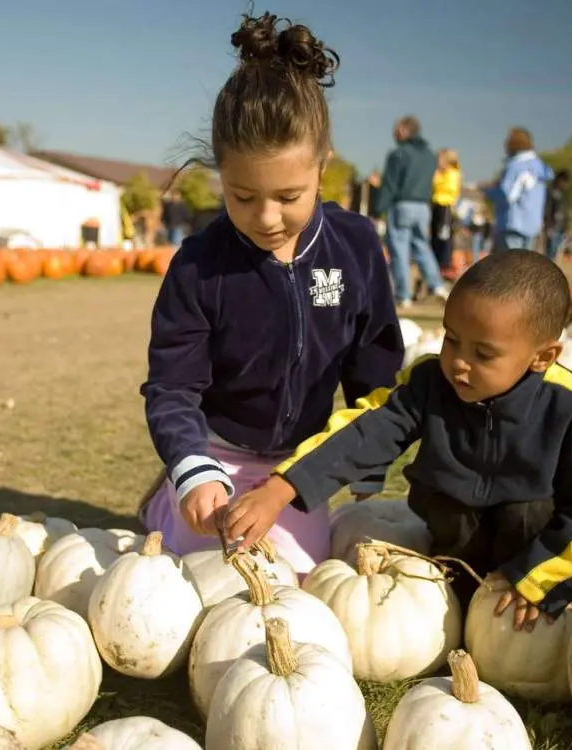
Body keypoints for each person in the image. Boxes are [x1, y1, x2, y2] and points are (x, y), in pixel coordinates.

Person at [225, 250, 572, 626]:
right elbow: (364, 432)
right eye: (452, 340)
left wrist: (543, 574)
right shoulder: (429, 383)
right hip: (453, 541)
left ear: (542, 356)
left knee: (528, 512)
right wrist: (282, 487)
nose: (459, 364)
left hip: (533, 553)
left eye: (483, 354)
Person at [138, 11, 404, 575]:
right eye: (242, 196)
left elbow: (373, 363)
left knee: (301, 572)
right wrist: (193, 465)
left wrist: (364, 461)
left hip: (303, 460)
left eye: (288, 195)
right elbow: (172, 386)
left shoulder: (355, 246)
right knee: (204, 570)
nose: (266, 218)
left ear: (322, 167)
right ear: (221, 177)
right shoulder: (198, 266)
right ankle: (168, 495)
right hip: (219, 450)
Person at [376, 116, 448, 309]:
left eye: (396, 130)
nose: (394, 134)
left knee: (399, 250)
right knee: (422, 247)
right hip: (423, 207)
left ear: (405, 130)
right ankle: (437, 285)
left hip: (402, 205)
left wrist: (378, 209)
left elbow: (390, 184)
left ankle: (403, 295)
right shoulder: (429, 155)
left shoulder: (399, 154)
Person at [486, 127, 553, 252]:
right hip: (533, 225)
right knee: (524, 266)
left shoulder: (516, 165)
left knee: (510, 267)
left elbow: (507, 195)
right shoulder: (539, 166)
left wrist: (487, 191)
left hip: (513, 224)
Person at [430, 149, 462, 274]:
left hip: (446, 207)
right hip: (436, 205)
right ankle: (436, 261)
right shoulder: (439, 173)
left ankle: (444, 262)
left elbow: (449, 188)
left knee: (444, 236)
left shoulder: (453, 173)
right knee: (434, 236)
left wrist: (437, 179)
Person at [543, 169, 570, 261]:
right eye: (563, 181)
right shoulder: (550, 192)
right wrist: (548, 226)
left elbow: (566, 212)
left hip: (561, 227)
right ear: (558, 180)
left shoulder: (564, 195)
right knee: (550, 253)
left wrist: (566, 228)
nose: (564, 184)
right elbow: (547, 210)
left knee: (556, 253)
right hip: (552, 227)